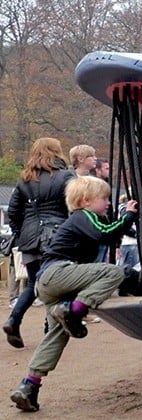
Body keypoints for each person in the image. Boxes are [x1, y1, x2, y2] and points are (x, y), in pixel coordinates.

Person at [9, 176, 138, 412]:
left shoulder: (86, 218)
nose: (108, 203)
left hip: (52, 284)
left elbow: (110, 232)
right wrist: (128, 215)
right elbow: (106, 233)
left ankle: (29, 386)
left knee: (57, 336)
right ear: (86, 201)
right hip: (57, 274)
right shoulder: (82, 216)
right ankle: (74, 310)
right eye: (104, 198)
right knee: (113, 273)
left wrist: (125, 220)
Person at [3, 138, 75, 349]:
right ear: (57, 151)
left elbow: (14, 211)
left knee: (35, 284)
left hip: (30, 238)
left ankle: (14, 320)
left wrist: (21, 231)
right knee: (56, 284)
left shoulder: (25, 179)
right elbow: (73, 206)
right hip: (56, 236)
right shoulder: (65, 176)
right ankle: (49, 329)